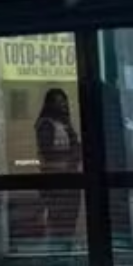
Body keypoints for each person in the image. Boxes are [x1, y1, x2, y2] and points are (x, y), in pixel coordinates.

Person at [35, 88, 82, 249]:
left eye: (64, 102)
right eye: (58, 102)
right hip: (56, 179)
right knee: (58, 219)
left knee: (69, 219)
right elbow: (47, 151)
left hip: (70, 178)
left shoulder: (65, 124)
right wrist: (70, 157)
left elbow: (76, 147)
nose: (62, 105)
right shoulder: (46, 124)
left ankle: (65, 249)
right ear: (50, 104)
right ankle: (57, 251)